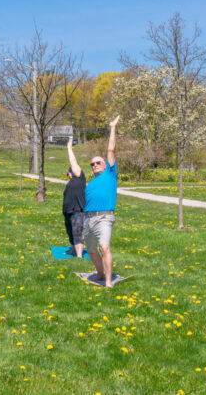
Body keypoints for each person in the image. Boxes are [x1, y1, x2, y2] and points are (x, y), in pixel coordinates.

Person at [83, 115, 120, 287]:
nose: (95, 165)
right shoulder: (90, 184)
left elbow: (111, 150)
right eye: (92, 164)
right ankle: (99, 273)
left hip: (104, 217)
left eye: (98, 162)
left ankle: (108, 282)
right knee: (91, 250)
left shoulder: (110, 174)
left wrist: (112, 127)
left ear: (105, 165)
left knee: (104, 247)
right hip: (88, 219)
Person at [63, 140, 86, 258]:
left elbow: (73, 161)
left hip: (78, 210)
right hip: (68, 210)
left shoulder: (80, 178)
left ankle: (79, 256)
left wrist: (69, 148)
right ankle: (73, 249)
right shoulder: (71, 182)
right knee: (70, 231)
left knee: (77, 230)